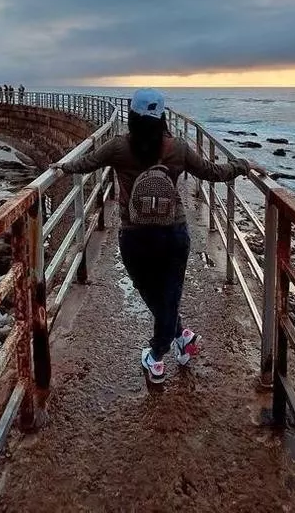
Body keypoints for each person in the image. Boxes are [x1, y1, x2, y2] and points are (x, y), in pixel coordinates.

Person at [52, 88, 264, 385]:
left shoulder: (117, 147)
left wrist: (61, 167)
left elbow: (86, 163)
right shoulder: (177, 148)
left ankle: (157, 355)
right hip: (173, 233)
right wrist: (243, 165)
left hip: (135, 235)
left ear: (132, 115)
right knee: (170, 295)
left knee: (151, 292)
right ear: (162, 116)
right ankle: (181, 336)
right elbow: (212, 171)